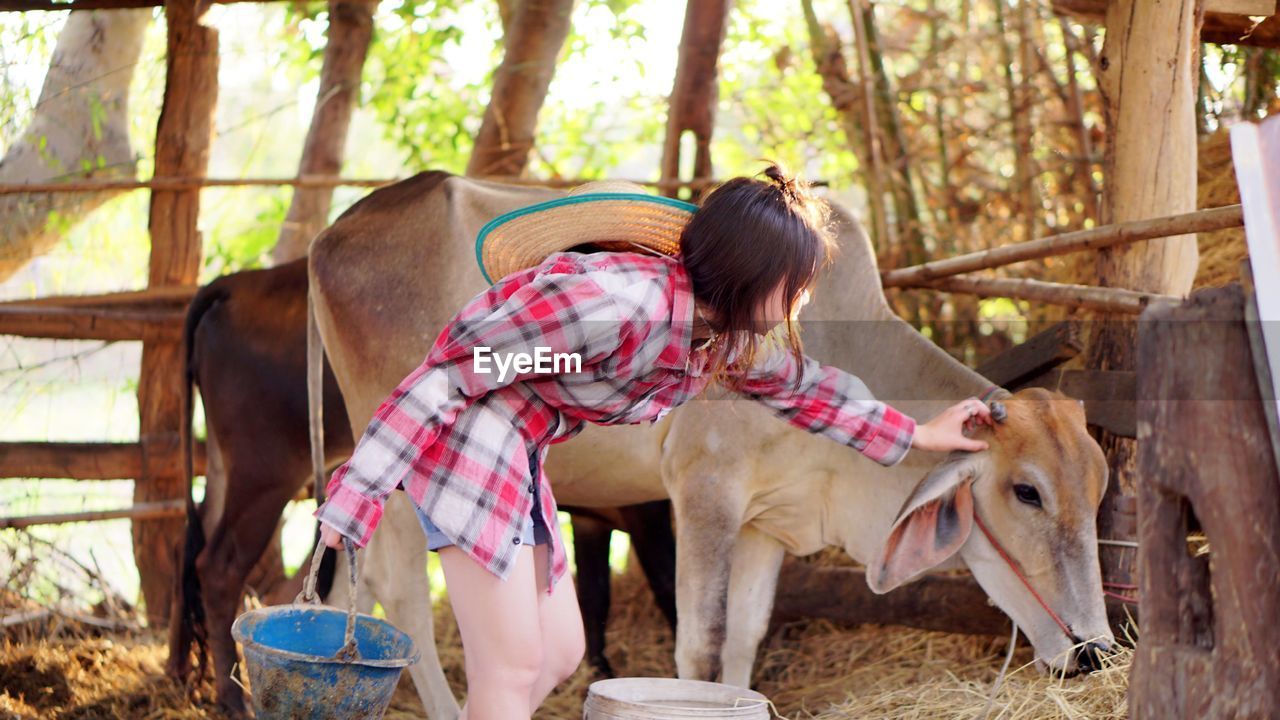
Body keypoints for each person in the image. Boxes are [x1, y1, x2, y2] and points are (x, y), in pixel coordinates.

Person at [314, 163, 994, 720]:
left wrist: (919, 433)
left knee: (558, 653)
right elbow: (451, 377)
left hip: (521, 451)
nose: (806, 303)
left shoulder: (719, 338)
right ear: (756, 275)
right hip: (473, 435)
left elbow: (804, 387)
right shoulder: (606, 302)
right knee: (512, 664)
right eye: (800, 286)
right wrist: (358, 493)